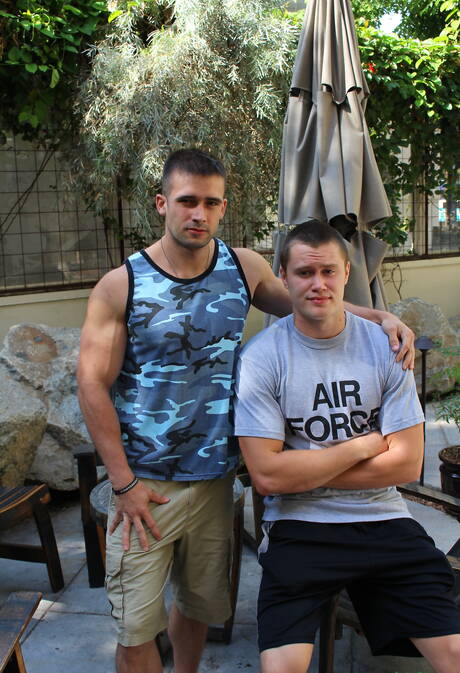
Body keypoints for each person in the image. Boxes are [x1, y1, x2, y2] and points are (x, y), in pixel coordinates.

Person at [77, 149, 415, 673]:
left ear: (223, 207)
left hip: (217, 481)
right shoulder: (123, 285)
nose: (199, 214)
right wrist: (123, 483)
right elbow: (91, 386)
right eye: (187, 201)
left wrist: (379, 318)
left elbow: (312, 298)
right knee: (136, 627)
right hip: (146, 485)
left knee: (198, 607)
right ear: (162, 203)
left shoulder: (243, 267)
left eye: (211, 203)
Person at [234, 220, 460, 673]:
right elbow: (267, 477)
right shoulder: (261, 357)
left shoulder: (387, 346)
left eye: (328, 272)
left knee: (453, 652)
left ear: (346, 273)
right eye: (304, 273)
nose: (318, 284)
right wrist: (364, 445)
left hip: (382, 518)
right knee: (281, 667)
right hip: (299, 526)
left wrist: (302, 470)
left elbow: (405, 464)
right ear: (283, 276)